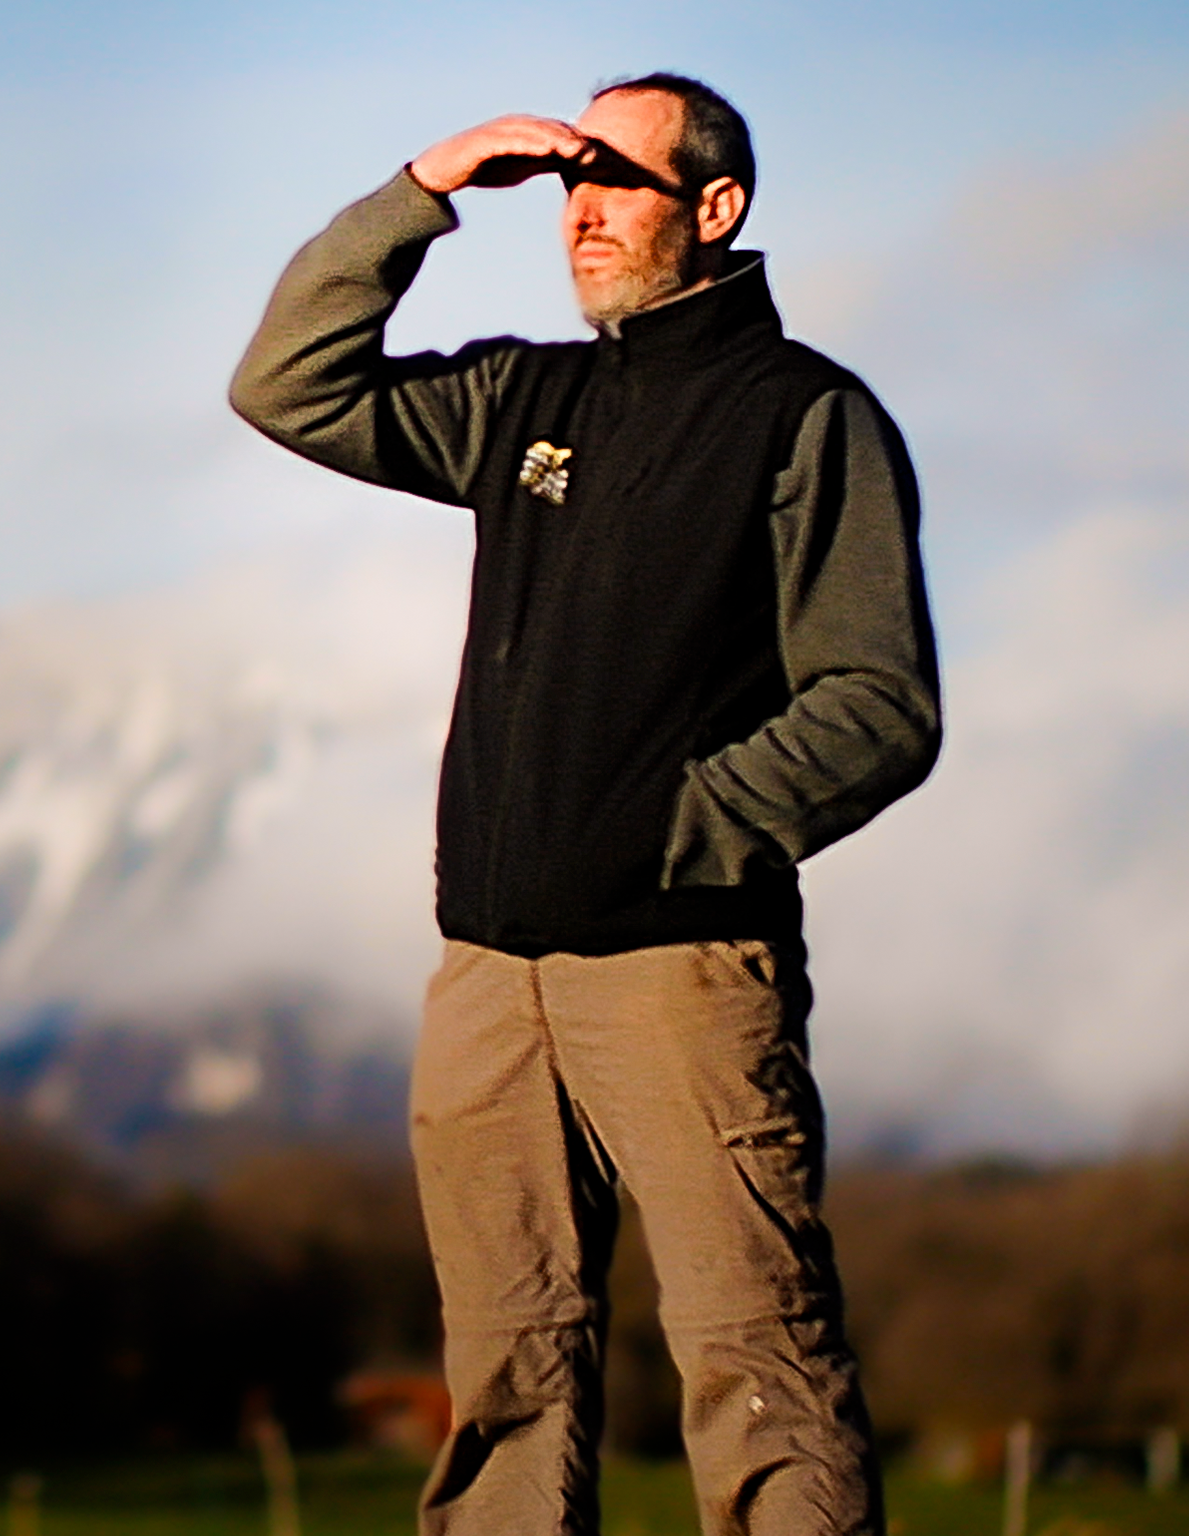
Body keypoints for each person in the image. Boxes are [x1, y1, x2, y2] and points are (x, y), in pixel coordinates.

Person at [227, 75, 940, 1536]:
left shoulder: (807, 416)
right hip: (489, 976)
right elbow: (287, 385)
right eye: (568, 182)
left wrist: (678, 831)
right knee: (505, 1380)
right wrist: (422, 189)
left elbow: (878, 704)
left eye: (620, 180)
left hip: (682, 966)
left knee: (757, 1362)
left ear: (716, 207)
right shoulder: (527, 399)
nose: (582, 212)